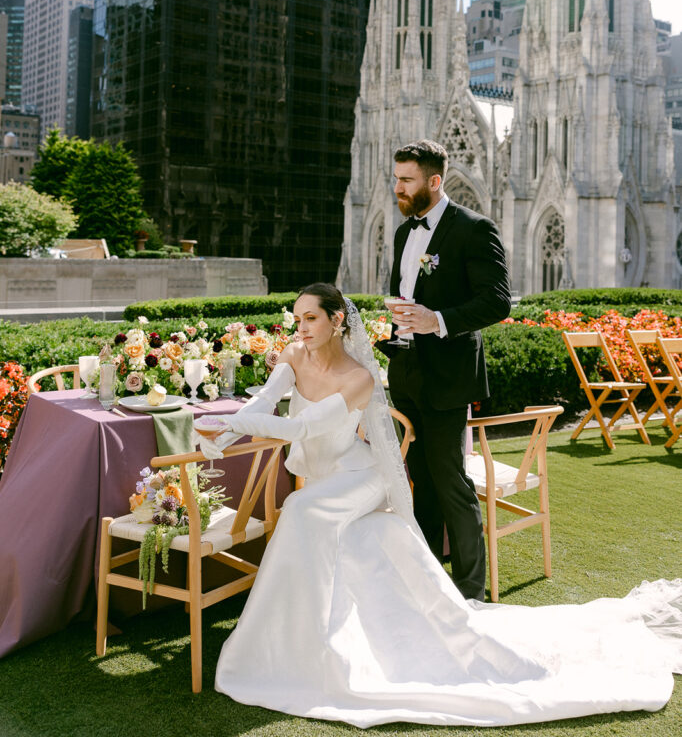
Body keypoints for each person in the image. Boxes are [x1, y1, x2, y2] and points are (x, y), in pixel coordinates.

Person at [196, 283, 681, 729]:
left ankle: (309, 651)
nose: (301, 328)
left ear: (337, 320)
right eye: (297, 319)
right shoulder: (293, 353)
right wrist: (229, 428)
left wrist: (237, 427)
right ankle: (284, 646)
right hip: (325, 475)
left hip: (360, 477)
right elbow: (264, 398)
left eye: (311, 319)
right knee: (306, 510)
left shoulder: (361, 377)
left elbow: (305, 429)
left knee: (301, 510)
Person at [380, 139, 511, 601]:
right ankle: (429, 577)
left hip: (449, 377)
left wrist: (437, 320)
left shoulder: (474, 229)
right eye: (396, 178)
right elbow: (408, 289)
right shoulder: (402, 233)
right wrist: (398, 314)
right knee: (420, 480)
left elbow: (497, 301)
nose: (397, 187)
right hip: (408, 373)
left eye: (406, 180)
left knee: (451, 480)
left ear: (434, 182)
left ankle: (471, 592)